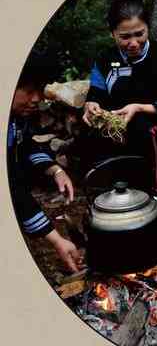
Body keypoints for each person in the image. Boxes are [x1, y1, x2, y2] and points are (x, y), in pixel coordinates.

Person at [82, 0, 157, 192]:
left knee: (143, 127)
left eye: (140, 34)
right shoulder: (104, 60)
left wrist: (139, 108)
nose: (134, 43)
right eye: (125, 37)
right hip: (121, 132)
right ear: (112, 34)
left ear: (148, 29)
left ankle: (151, 193)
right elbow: (96, 95)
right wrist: (91, 106)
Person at [7, 50, 82, 273]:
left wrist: (55, 169)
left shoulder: (17, 117)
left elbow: (28, 144)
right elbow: (12, 189)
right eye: (29, 91)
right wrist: (57, 239)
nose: (37, 99)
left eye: (39, 91)